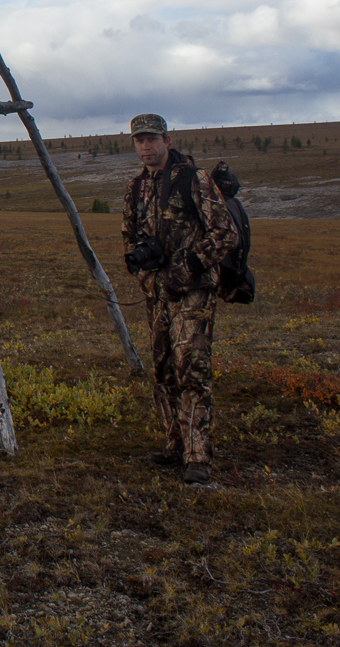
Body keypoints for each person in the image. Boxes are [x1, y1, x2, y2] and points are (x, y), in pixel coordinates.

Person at [122, 114, 240, 485]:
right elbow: (128, 235)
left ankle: (198, 455)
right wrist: (144, 266)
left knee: (192, 368)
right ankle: (175, 444)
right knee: (163, 370)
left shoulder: (194, 179)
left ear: (167, 140)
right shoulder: (136, 188)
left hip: (192, 293)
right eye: (139, 140)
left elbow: (225, 233)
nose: (146, 147)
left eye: (152, 139)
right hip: (156, 295)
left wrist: (188, 265)